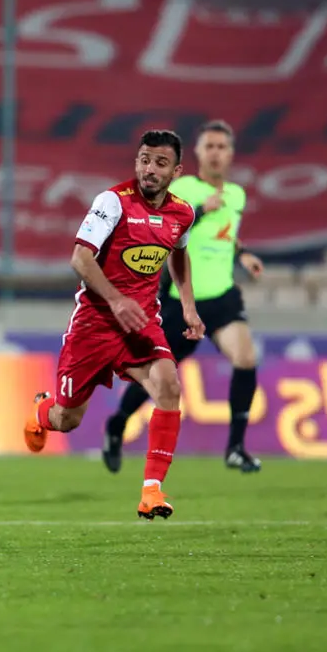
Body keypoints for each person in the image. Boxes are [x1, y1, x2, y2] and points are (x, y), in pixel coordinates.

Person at [23, 131, 204, 520]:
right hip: (94, 324)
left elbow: (179, 255)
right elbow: (81, 258)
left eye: (159, 163)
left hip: (140, 322)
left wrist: (188, 306)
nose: (149, 169)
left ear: (176, 170)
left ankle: (151, 491)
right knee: (68, 419)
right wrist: (116, 300)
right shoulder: (112, 202)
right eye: (143, 160)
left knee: (169, 386)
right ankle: (42, 412)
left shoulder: (183, 213)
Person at [103, 120, 265, 474]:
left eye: (222, 147)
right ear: (198, 153)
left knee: (246, 358)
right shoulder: (183, 189)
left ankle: (236, 447)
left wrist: (244, 254)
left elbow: (227, 234)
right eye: (210, 147)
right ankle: (117, 425)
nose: (216, 153)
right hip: (180, 299)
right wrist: (203, 209)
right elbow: (164, 228)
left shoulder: (236, 195)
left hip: (222, 296)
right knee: (158, 379)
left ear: (231, 154)